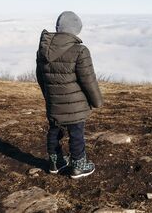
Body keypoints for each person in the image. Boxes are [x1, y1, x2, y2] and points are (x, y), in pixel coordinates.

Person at [36, 11, 103, 179]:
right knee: (76, 133)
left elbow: (41, 78)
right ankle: (79, 166)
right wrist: (97, 102)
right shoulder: (80, 51)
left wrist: (49, 96)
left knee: (54, 131)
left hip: (53, 102)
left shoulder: (43, 49)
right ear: (75, 30)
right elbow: (88, 80)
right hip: (75, 105)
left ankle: (55, 162)